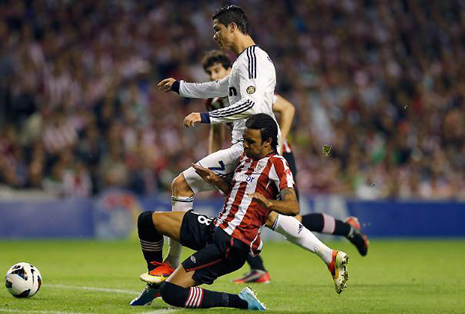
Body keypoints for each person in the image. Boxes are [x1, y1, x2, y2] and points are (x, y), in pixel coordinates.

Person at [149, 4, 350, 291]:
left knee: (181, 184)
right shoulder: (243, 63)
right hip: (250, 148)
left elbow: (253, 105)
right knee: (266, 214)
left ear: (233, 27)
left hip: (250, 149)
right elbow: (217, 88)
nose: (214, 36)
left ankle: (170, 262)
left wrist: (206, 117)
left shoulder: (254, 59)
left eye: (217, 30)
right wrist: (181, 87)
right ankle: (330, 255)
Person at [130, 114, 349, 310]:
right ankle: (158, 276)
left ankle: (241, 301)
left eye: (250, 141)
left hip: (232, 244)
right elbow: (236, 194)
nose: (244, 145)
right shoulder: (245, 159)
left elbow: (293, 206)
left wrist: (268, 203)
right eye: (243, 139)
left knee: (173, 293)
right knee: (148, 220)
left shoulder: (277, 164)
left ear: (267, 142)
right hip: (216, 227)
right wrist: (216, 181)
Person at [201, 50, 369, 284]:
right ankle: (259, 269)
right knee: (243, 210)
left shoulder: (248, 87)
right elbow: (217, 131)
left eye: (217, 70)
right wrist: (215, 161)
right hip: (250, 158)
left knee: (289, 217)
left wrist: (278, 144)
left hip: (276, 155)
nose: (212, 76)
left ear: (230, 70)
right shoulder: (214, 100)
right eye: (209, 73)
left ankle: (347, 229)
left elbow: (288, 108)